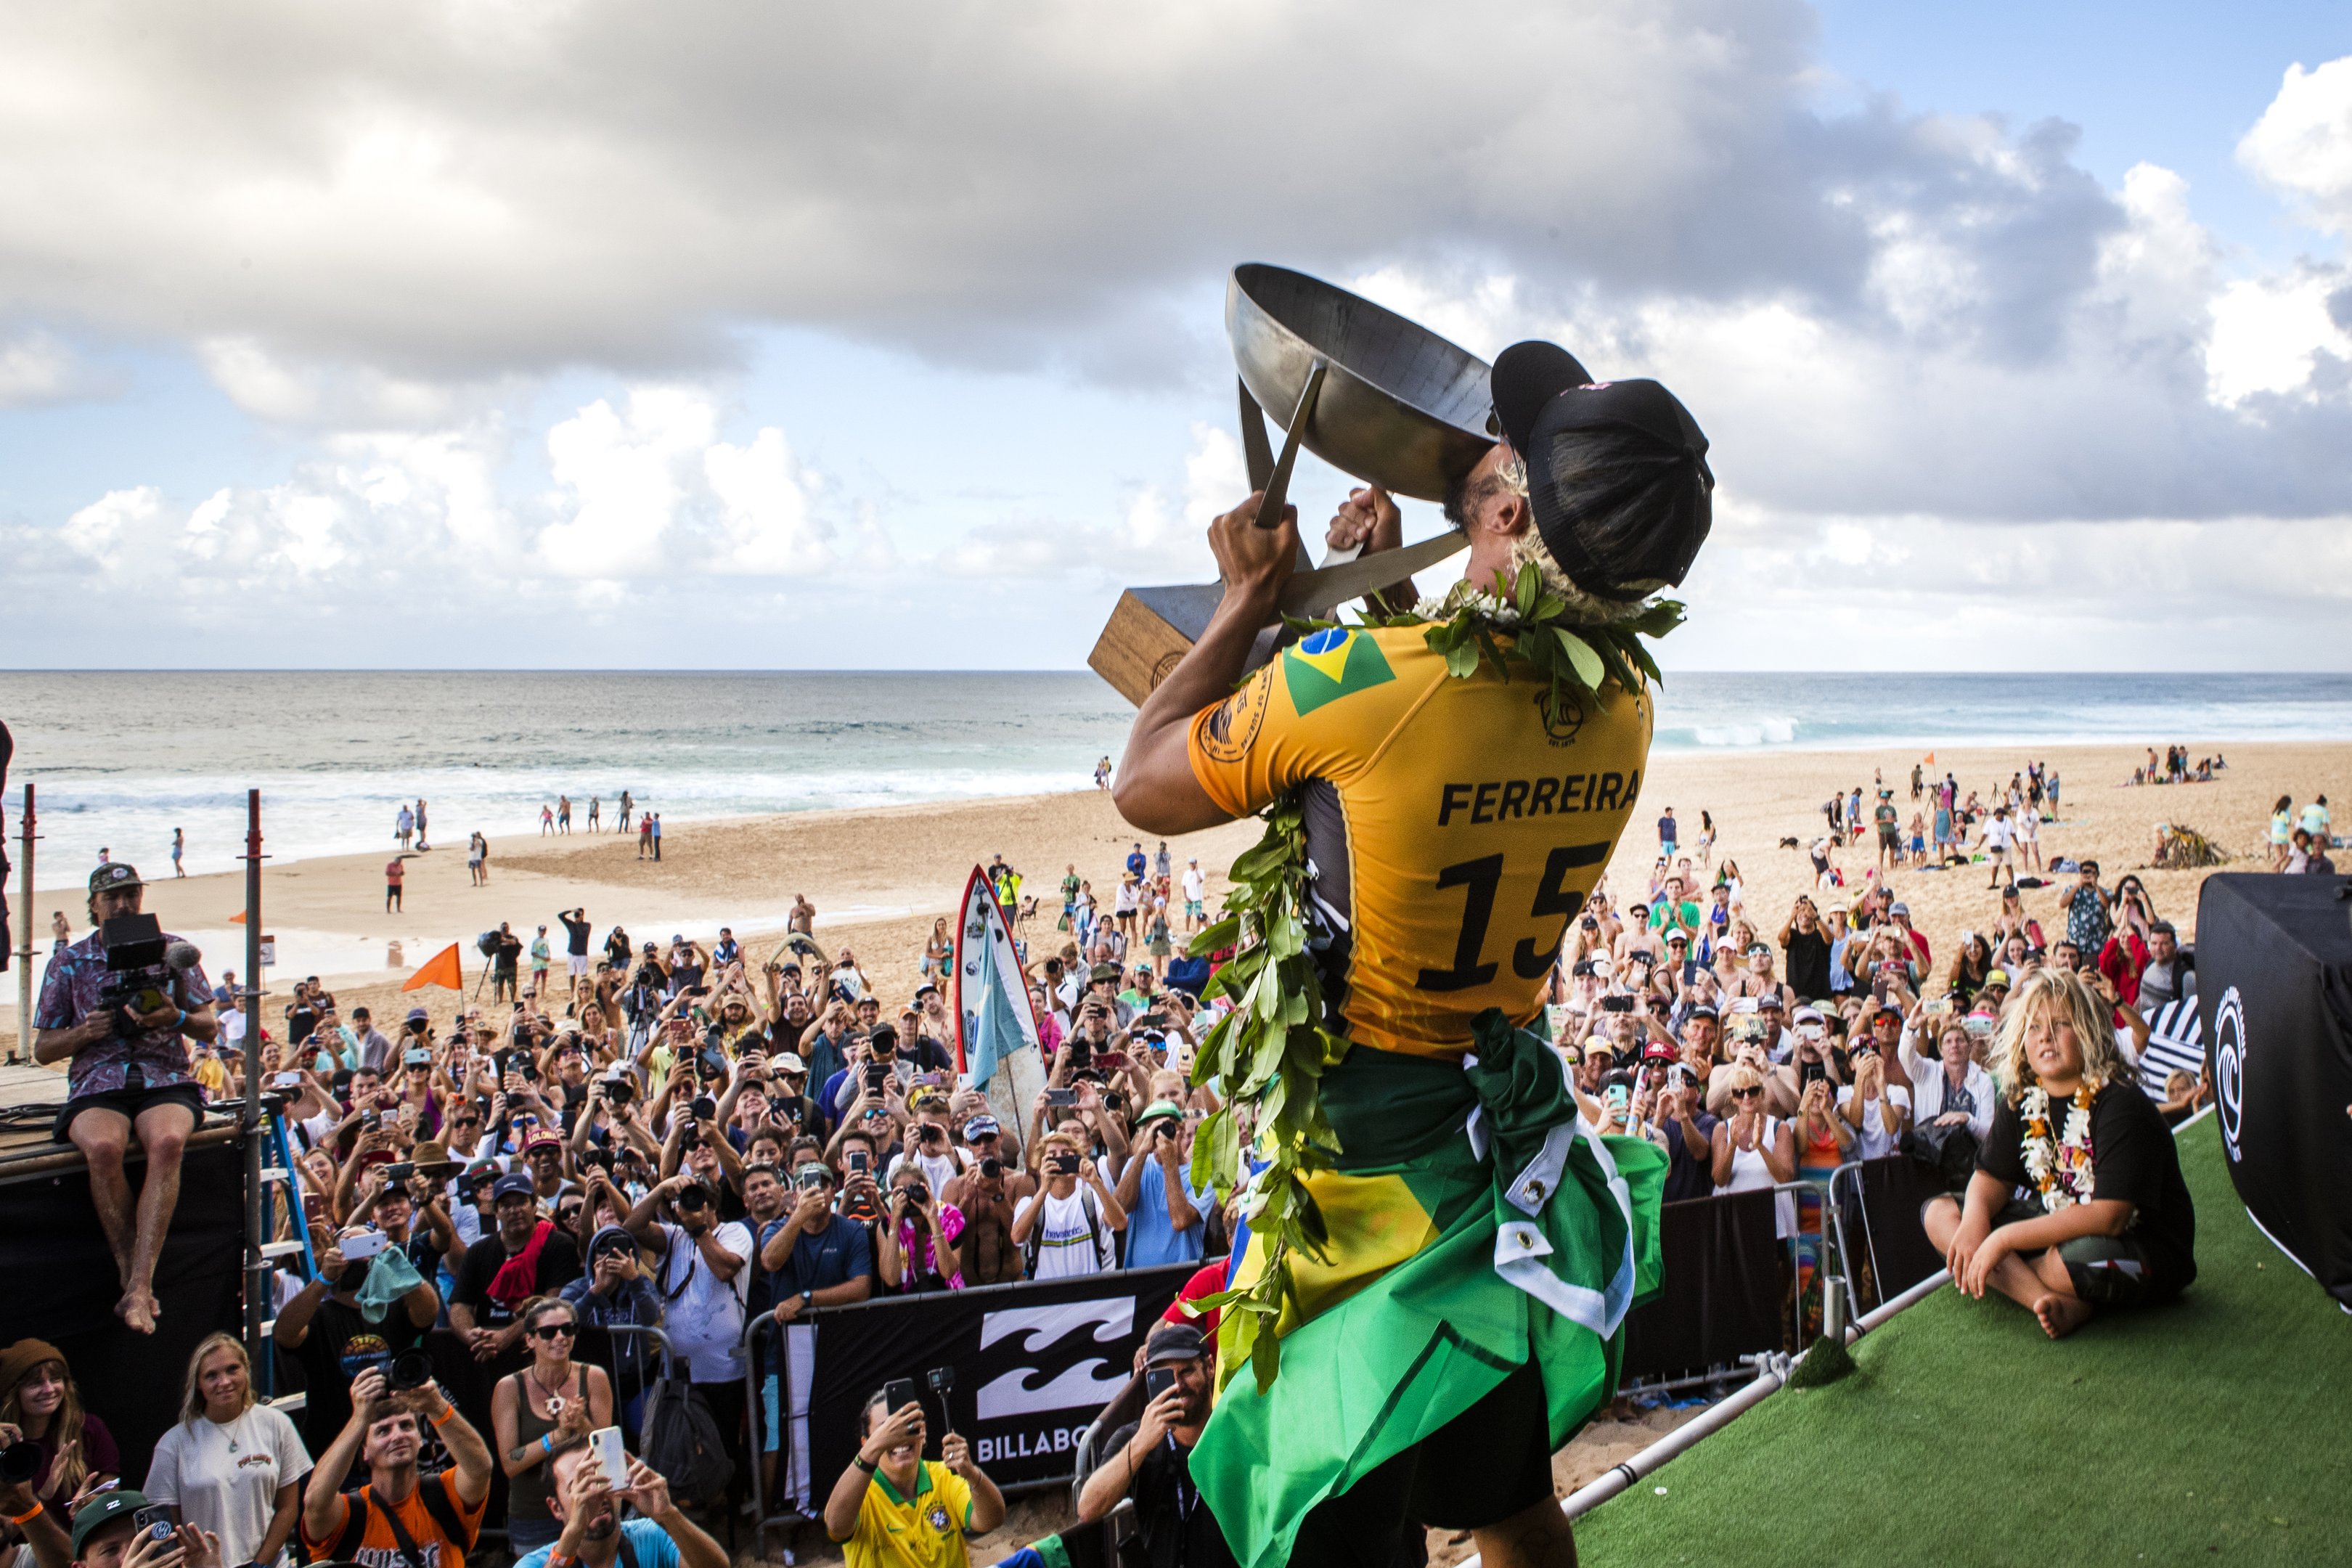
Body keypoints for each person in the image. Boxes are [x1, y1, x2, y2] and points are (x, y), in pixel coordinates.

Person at [1108, 338, 1700, 1567]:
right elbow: (1453, 727)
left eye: (1500, 465)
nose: (1482, 463)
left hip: (1358, 1188)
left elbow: (1145, 784)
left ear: (1512, 514)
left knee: (1329, 1518)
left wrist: (1248, 601)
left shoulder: (1362, 685)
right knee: (1509, 1504)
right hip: (1487, 1178)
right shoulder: (1625, 706)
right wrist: (1386, 589)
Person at [1923, 968, 2197, 1339]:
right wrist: (1975, 1222)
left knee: (2072, 1259)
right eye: (2034, 1028)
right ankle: (2052, 1301)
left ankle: (2025, 1277)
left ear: (2089, 1032)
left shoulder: (2119, 1102)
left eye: (2060, 1024)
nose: (2046, 1037)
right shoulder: (2023, 1098)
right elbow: (1990, 1177)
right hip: (2063, 1222)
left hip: (2141, 1244)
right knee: (1942, 1215)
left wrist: (2002, 1241)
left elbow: (2110, 1216)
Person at [31, 863, 218, 1333]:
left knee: (168, 1141)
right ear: (93, 905)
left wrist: (173, 1020)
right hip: (98, 1078)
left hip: (163, 1075)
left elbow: (209, 1025)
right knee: (103, 1147)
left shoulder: (173, 952)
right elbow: (42, 1049)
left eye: (130, 894)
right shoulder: (68, 963)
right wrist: (82, 1033)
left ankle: (139, 1285)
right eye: (111, 896)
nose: (122, 904)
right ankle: (129, 1272)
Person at [144, 1334, 311, 1568]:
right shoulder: (174, 1444)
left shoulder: (276, 1424)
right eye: (211, 1376)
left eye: (233, 1369)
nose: (224, 1382)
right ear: (198, 1385)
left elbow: (287, 1508)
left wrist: (260, 1564)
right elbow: (165, 1528)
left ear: (246, 1371)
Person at [1074, 1323, 1235, 1567]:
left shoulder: (1233, 1431)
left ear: (1210, 1367)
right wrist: (1140, 1444)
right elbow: (1088, 1509)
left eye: (1187, 1371)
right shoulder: (1136, 1438)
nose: (1178, 1385)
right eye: (1165, 1376)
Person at [297, 1367, 491, 1568]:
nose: (397, 1436)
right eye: (383, 1431)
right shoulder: (349, 1514)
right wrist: (359, 1419)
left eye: (406, 1426)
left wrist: (436, 1406)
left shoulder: (445, 1494)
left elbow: (480, 1468)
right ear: (365, 1451)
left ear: (420, 1439)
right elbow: (315, 1502)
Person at [272, 1224, 441, 1453]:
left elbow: (428, 1313)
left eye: (368, 1245)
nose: (359, 1257)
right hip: (333, 1446)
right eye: (350, 1246)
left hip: (391, 1441)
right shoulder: (320, 1316)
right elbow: (284, 1333)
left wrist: (398, 1267)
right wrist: (324, 1278)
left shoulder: (394, 1308)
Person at [822, 1389, 1005, 1567]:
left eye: (908, 1426)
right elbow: (836, 1526)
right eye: (887, 1430)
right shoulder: (859, 1491)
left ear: (922, 1433)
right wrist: (873, 1449)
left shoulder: (943, 1475)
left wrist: (973, 1475)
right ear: (866, 1442)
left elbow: (991, 1520)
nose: (899, 1437)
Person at [490, 1298, 614, 1554]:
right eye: (548, 1332)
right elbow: (510, 1464)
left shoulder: (594, 1378)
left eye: (568, 1329)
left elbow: (609, 1456)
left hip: (589, 1509)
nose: (560, 1337)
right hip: (533, 1515)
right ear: (529, 1340)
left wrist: (583, 1426)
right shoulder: (509, 1388)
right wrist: (558, 1436)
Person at [513, 1445, 727, 1568]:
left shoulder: (648, 1537)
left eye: (602, 1480)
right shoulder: (534, 1564)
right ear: (556, 1508)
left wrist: (669, 1515)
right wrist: (573, 1533)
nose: (595, 1493)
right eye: (580, 1487)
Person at [449, 1173, 584, 1362]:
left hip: (543, 1353)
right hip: (487, 1354)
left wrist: (507, 1336)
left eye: (521, 1202)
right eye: (506, 1205)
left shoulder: (559, 1245)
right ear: (496, 1211)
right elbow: (460, 1305)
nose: (515, 1210)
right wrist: (471, 1336)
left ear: (534, 1205)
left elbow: (555, 1301)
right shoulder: (478, 1252)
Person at [0, 1342, 119, 1505]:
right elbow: (7, 1529)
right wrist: (43, 1495)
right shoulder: (3, 1442)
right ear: (13, 1393)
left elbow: (113, 1502)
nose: (49, 1390)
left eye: (55, 1379)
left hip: (81, 1530)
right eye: (35, 1383)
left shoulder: (89, 1428)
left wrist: (93, 1506)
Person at [1011, 1132, 1124, 1278]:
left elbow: (1120, 1224)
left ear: (1077, 1159)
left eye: (1066, 1153)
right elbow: (1017, 1238)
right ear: (1041, 1164)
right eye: (1052, 1155)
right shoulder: (1029, 1203)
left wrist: (1096, 1183)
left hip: (1091, 1294)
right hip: (1050, 1295)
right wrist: (1044, 1189)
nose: (1059, 1158)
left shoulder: (1091, 1199)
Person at [1115, 1103, 1212, 1269]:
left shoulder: (1203, 1173)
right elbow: (1121, 1208)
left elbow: (1180, 1220)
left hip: (1183, 1276)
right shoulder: (1135, 1165)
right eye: (1153, 1129)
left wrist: (1169, 1161)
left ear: (1180, 1129)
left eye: (1166, 1127)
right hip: (1140, 1276)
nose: (1159, 1135)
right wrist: (1143, 1151)